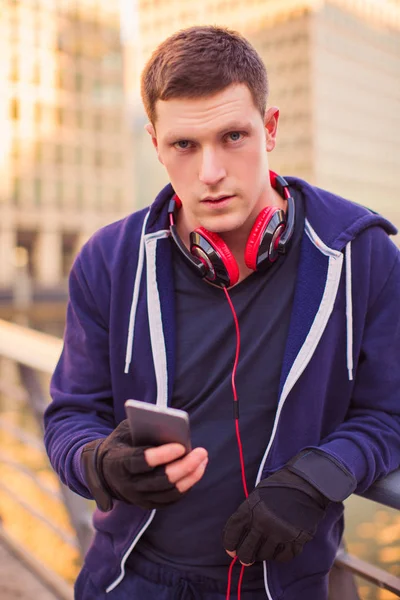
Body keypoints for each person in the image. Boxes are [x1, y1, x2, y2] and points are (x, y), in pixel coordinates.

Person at [44, 25, 400, 600]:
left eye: (233, 136)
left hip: (285, 585)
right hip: (128, 582)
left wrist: (319, 477)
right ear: (155, 144)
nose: (210, 173)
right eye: (184, 145)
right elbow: (68, 419)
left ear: (271, 129)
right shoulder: (108, 261)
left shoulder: (363, 255)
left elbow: (391, 414)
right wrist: (99, 463)